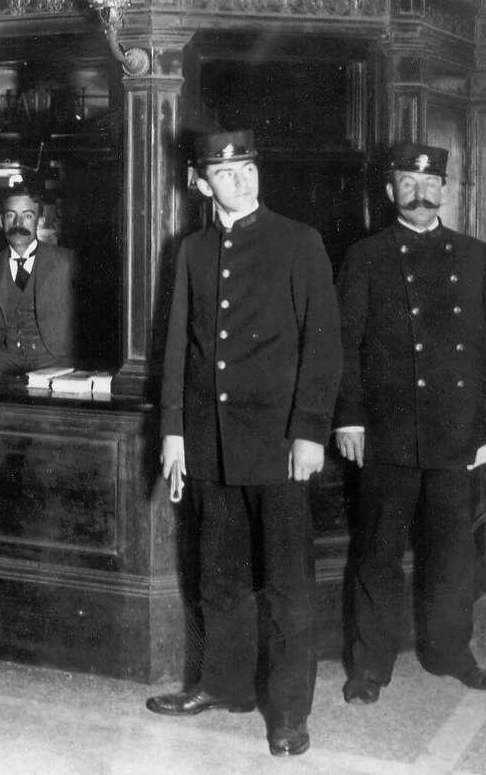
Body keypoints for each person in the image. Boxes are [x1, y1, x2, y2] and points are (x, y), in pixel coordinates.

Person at [146, 129, 342, 759]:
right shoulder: (193, 250)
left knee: (287, 584)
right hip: (209, 442)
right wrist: (174, 434)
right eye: (226, 173)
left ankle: (288, 712)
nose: (242, 179)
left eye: (249, 168)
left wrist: (310, 430)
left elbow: (324, 345)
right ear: (200, 183)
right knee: (218, 576)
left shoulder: (298, 241)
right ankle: (222, 685)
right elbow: (178, 346)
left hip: (279, 442)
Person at [334, 140, 486, 704]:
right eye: (407, 184)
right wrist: (349, 419)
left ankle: (451, 653)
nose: (420, 193)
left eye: (430, 183)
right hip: (386, 432)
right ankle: (369, 668)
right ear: (391, 192)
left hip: (455, 428)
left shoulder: (474, 255)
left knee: (451, 552)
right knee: (377, 553)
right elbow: (343, 345)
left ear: (444, 190)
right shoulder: (365, 256)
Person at [0, 174, 78, 374]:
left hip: (55, 362)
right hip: (6, 361)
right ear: (1, 221)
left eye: (27, 215)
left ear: (40, 221)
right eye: (11, 215)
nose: (18, 223)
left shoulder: (66, 262)